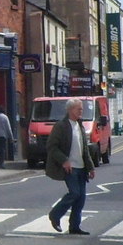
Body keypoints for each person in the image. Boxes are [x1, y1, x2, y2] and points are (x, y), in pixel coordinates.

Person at [46, 97, 95, 235]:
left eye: (81, 108)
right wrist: (64, 160)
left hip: (81, 167)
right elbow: (52, 146)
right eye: (78, 109)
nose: (81, 111)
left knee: (80, 199)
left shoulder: (79, 125)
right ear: (70, 110)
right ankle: (55, 215)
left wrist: (90, 167)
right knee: (74, 193)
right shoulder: (61, 126)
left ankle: (74, 227)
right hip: (70, 167)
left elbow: (84, 149)